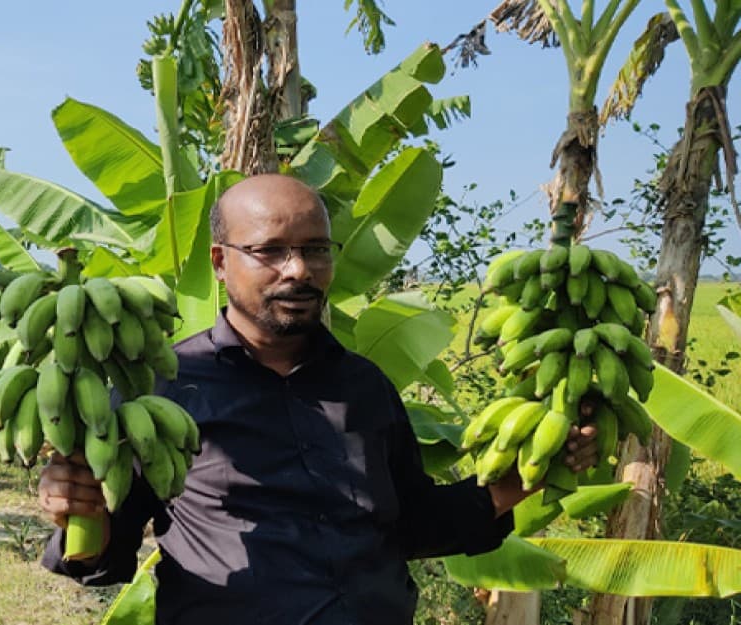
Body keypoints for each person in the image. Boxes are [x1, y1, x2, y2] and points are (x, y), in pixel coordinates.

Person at [37, 174, 598, 624]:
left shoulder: (365, 387)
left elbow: (410, 525)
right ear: (219, 261)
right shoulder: (161, 390)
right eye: (270, 251)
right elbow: (106, 556)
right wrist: (77, 514)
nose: (298, 270)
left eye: (314, 250)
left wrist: (521, 480)